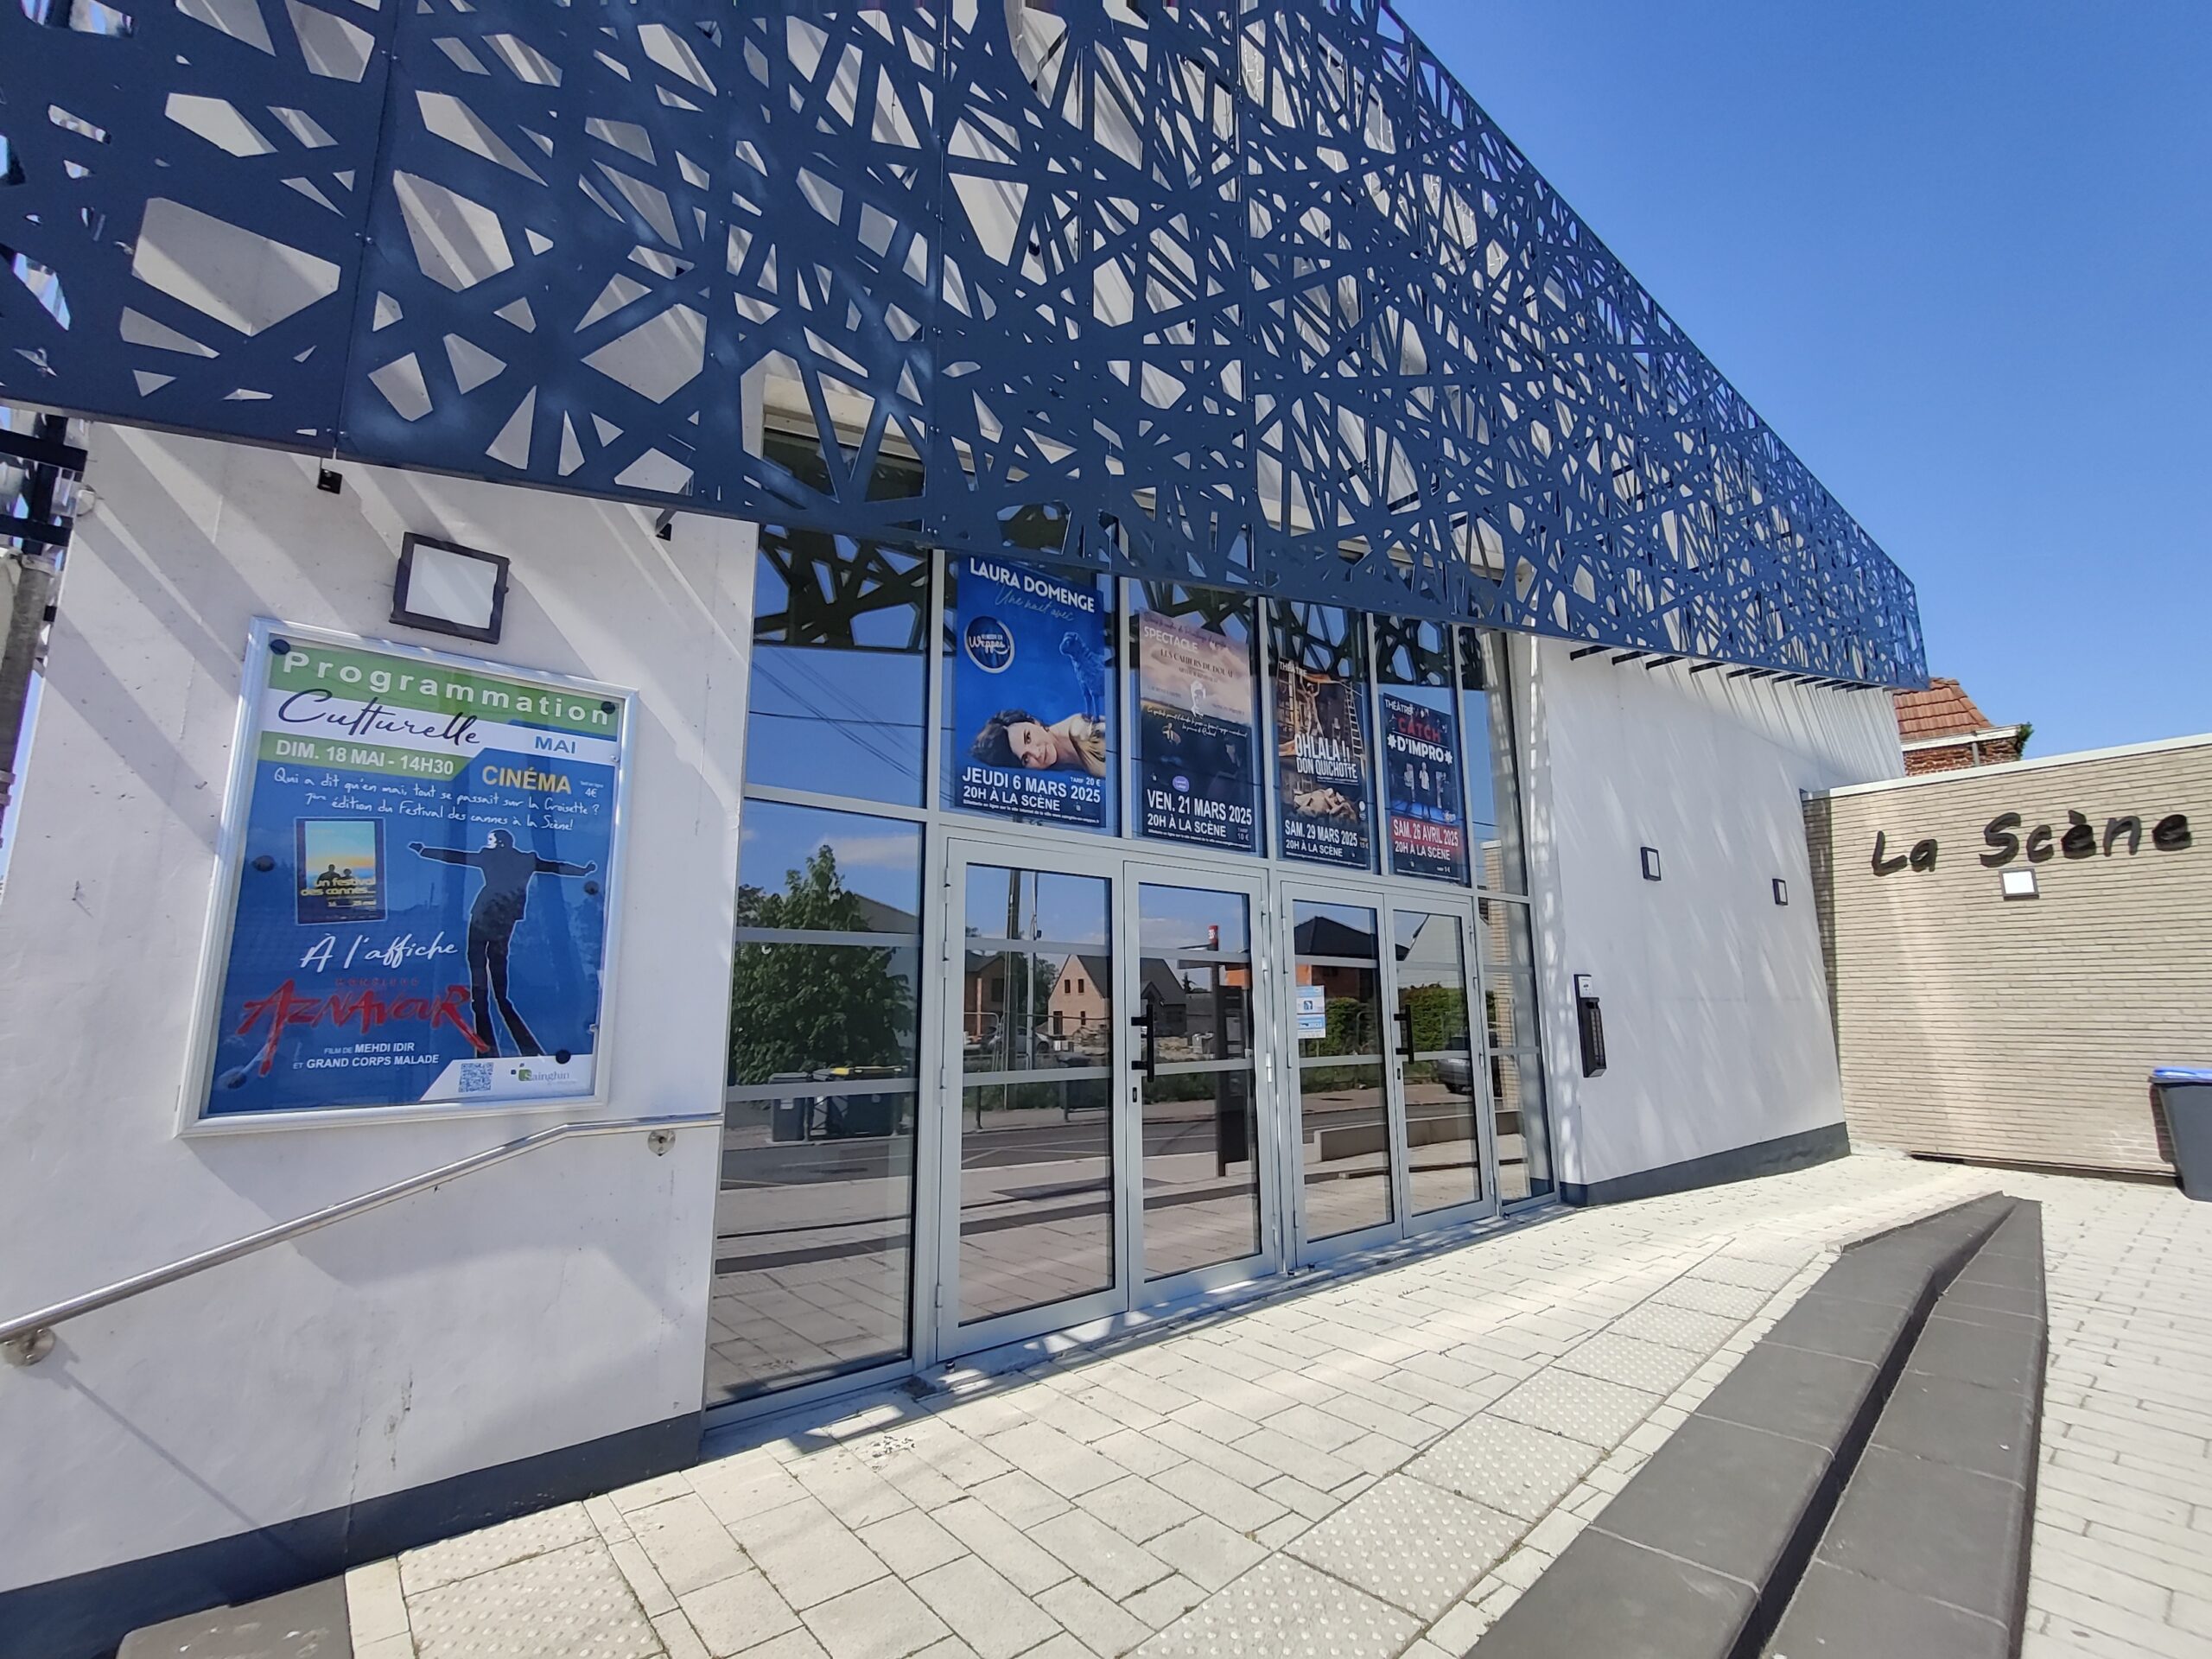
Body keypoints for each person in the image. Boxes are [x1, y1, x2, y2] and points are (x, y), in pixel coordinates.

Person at [410, 829, 596, 1058]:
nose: (489, 844)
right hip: (497, 912)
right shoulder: (522, 859)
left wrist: (424, 851)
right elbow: (554, 867)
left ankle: (490, 999)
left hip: (490, 912)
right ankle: (492, 999)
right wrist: (582, 871)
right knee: (491, 958)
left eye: (491, 841)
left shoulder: (497, 857)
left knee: (486, 958)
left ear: (500, 842)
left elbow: (457, 856)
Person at [971, 709, 1106, 776]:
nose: (1036, 753)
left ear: (1034, 722)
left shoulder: (1083, 733)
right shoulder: (1059, 768)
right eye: (1026, 759)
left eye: (1028, 738)